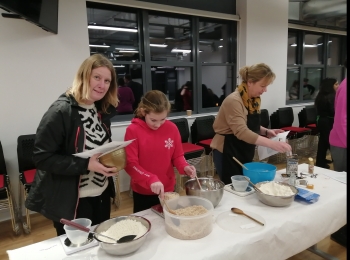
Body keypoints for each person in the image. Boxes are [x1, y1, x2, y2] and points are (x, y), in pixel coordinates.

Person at [25, 54, 119, 236]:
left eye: (107, 81)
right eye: (97, 77)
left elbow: (98, 148)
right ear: (84, 76)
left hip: (101, 194)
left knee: (101, 244)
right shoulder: (60, 111)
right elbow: (42, 158)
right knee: (77, 251)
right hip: (71, 202)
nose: (102, 85)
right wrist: (85, 165)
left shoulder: (102, 110)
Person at [210, 63, 292, 184]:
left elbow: (246, 123)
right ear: (249, 82)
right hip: (228, 150)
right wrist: (271, 144)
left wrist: (266, 131)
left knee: (245, 186)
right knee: (233, 188)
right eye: (262, 86)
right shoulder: (234, 100)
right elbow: (242, 131)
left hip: (242, 149)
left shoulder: (252, 100)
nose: (265, 90)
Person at [124, 90, 197, 212]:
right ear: (143, 112)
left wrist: (185, 167)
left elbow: (178, 156)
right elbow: (131, 164)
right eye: (153, 120)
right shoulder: (133, 130)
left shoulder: (172, 128)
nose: (158, 125)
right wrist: (150, 179)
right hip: (144, 191)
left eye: (162, 119)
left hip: (168, 190)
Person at [329, 59, 347, 248]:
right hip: (342, 143)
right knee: (343, 187)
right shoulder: (346, 86)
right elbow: (341, 119)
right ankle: (339, 230)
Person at [314, 78, 338, 169]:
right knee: (330, 143)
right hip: (327, 122)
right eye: (336, 84)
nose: (338, 86)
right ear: (330, 86)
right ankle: (337, 162)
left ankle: (320, 162)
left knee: (323, 142)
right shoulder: (331, 96)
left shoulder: (321, 95)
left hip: (321, 121)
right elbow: (333, 111)